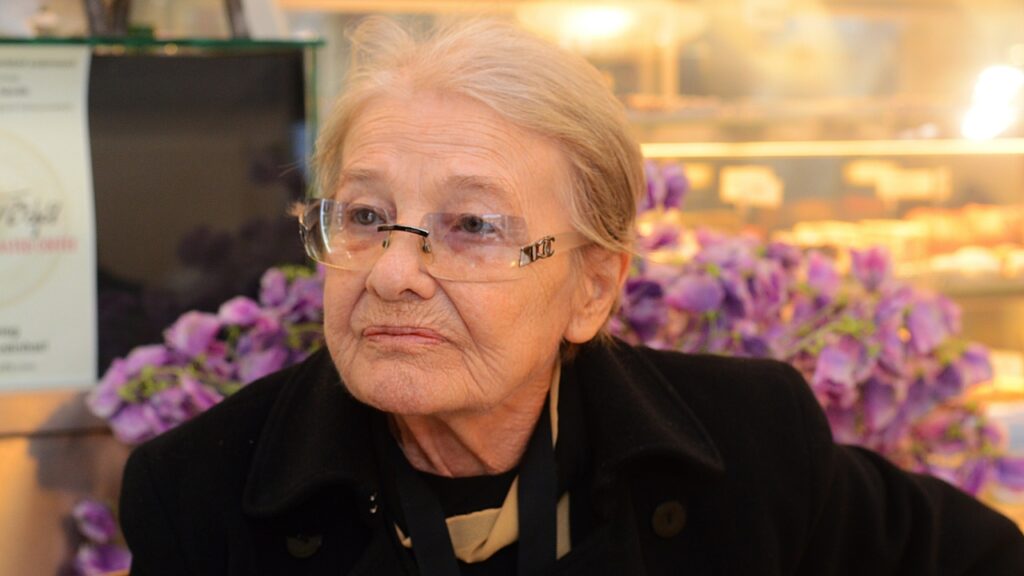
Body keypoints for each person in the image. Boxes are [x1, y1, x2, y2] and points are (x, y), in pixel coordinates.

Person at [119, 16, 1024, 576]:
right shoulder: (202, 493)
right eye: (364, 215)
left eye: (472, 226)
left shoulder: (748, 445)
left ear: (593, 288)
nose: (392, 273)